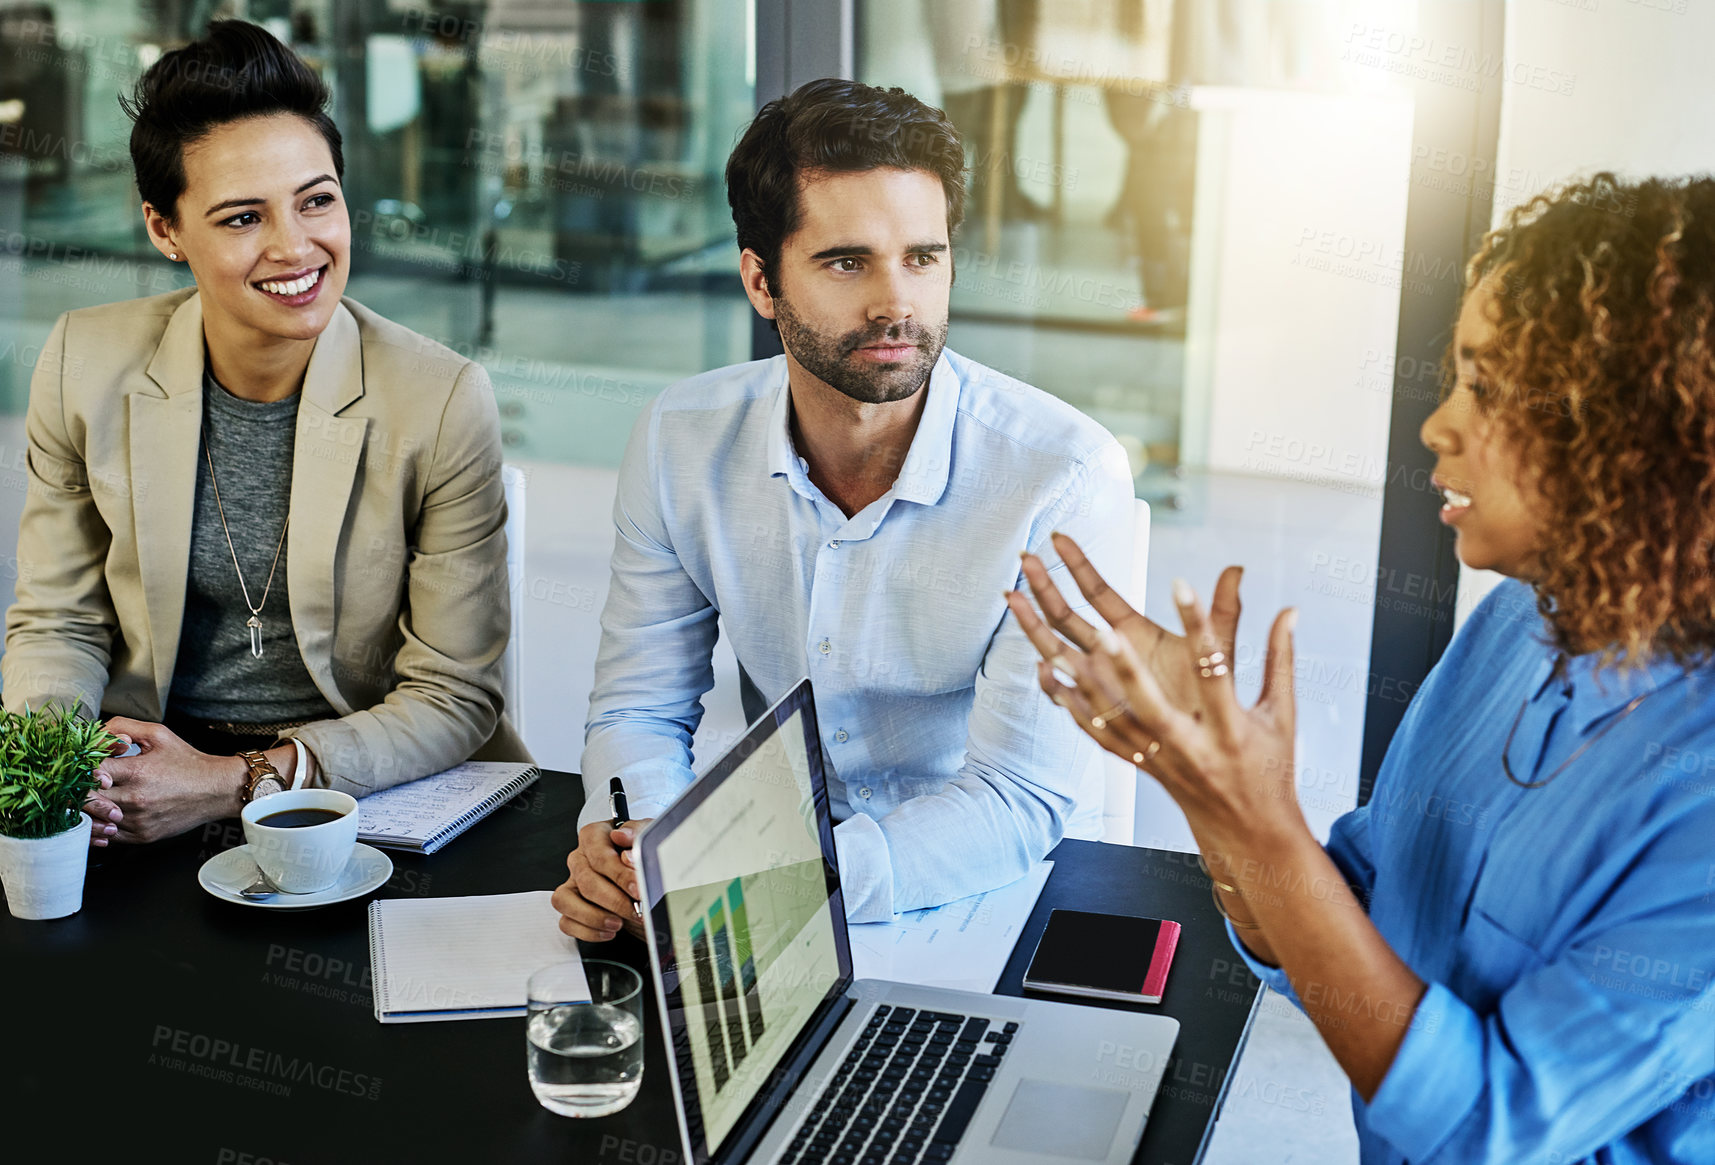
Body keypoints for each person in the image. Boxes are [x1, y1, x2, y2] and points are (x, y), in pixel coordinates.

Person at [1009, 172, 1715, 1162]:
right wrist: (1210, 791)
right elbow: (1340, 935)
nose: (1438, 426)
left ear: (1645, 434)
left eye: (1491, 387)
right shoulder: (1515, 621)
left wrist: (1258, 818)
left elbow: (1482, 1127)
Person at [551, 78, 1134, 941]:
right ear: (760, 280)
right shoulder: (682, 439)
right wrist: (634, 844)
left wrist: (767, 886)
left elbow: (1018, 794)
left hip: (986, 893)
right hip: (768, 884)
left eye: (922, 258)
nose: (896, 303)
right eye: (846, 261)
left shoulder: (1061, 475)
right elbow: (639, 707)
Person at [3, 21, 529, 846]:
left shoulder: (439, 399)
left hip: (356, 790)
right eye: (242, 217)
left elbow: (453, 696)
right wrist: (69, 773)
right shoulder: (84, 363)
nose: (295, 246)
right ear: (164, 229)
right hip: (142, 773)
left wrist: (233, 782)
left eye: (316, 199)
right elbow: (58, 621)